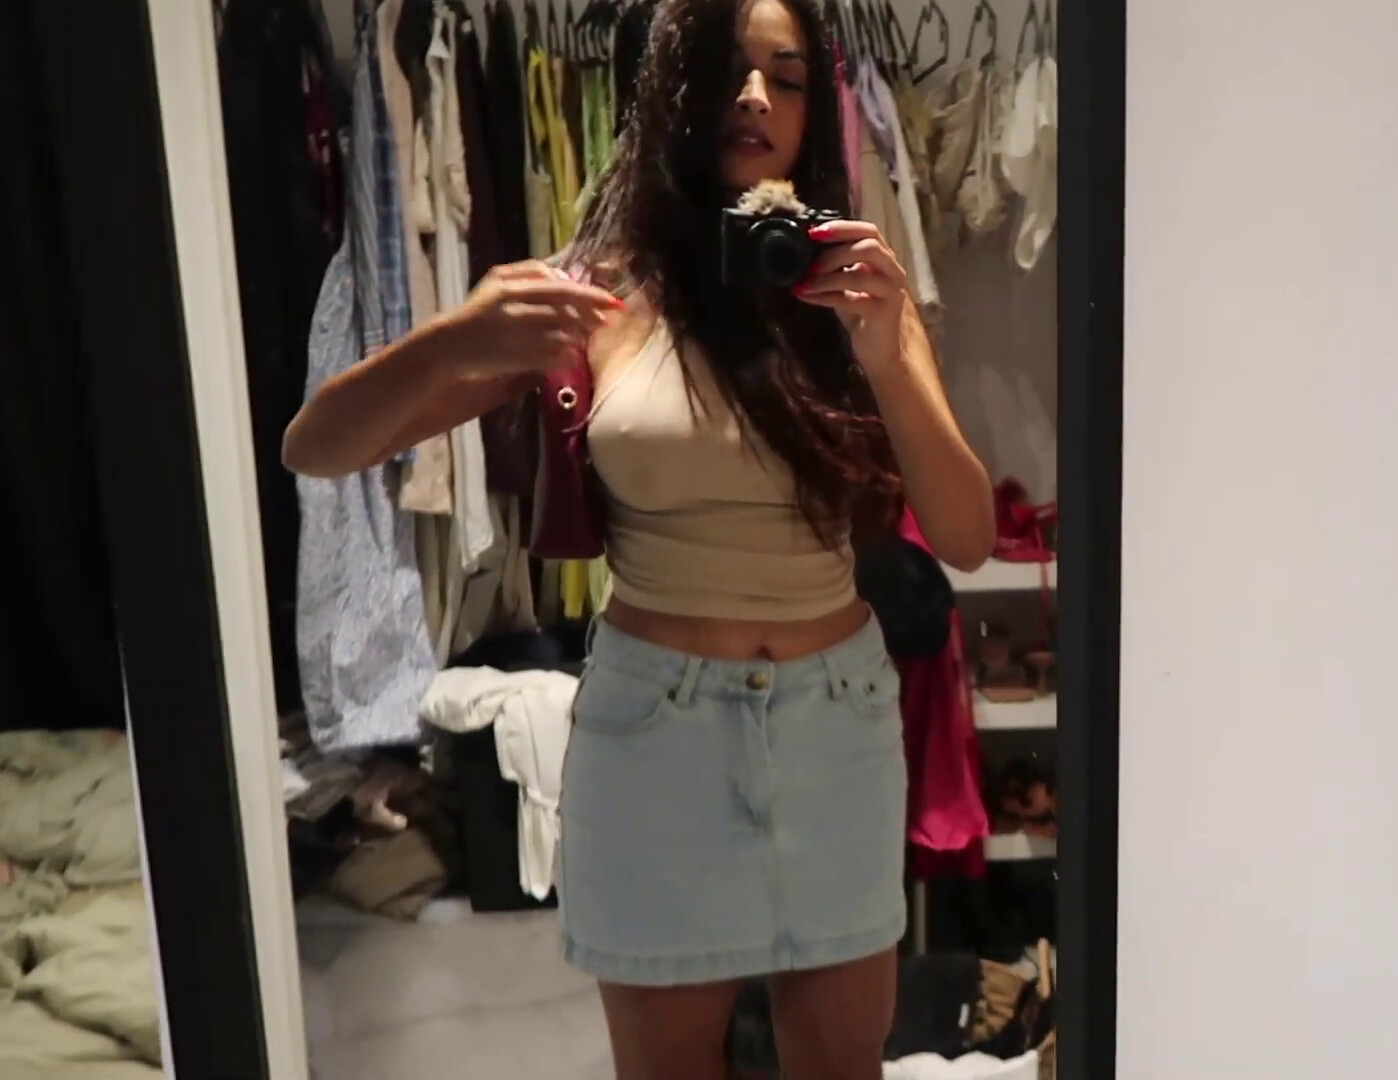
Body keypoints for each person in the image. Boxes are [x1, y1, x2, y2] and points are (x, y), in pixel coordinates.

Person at [281, 0, 996, 1075]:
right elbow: (316, 446)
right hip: (657, 735)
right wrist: (454, 339)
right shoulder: (597, 292)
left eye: (787, 77)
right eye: (726, 69)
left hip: (835, 731)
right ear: (671, 88)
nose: (755, 97)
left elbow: (967, 535)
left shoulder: (853, 291)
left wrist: (889, 351)